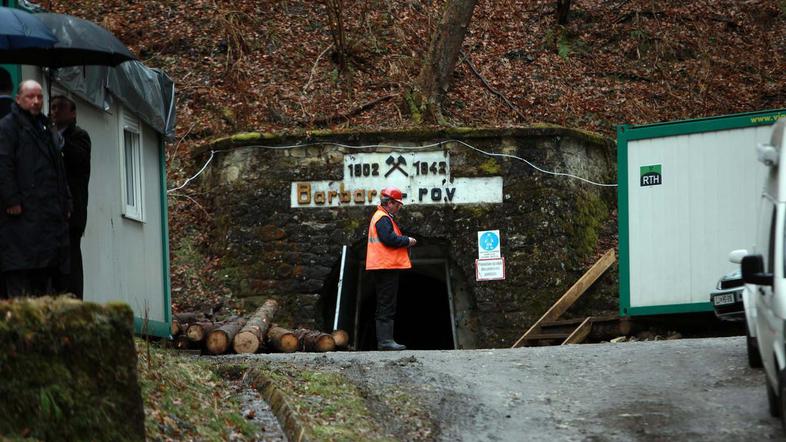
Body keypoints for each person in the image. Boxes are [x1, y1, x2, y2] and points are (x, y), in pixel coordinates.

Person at [0, 80, 71, 297]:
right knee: (20, 282)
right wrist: (12, 200)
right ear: (19, 98)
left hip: (46, 219)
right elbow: (3, 164)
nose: (36, 101)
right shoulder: (8, 127)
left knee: (44, 281)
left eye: (40, 97)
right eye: (31, 96)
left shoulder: (46, 128)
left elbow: (58, 169)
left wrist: (66, 200)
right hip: (20, 218)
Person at [365, 186, 417, 351]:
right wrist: (407, 240)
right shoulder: (383, 218)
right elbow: (389, 239)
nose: (399, 207)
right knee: (386, 303)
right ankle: (385, 341)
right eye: (398, 204)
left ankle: (385, 340)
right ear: (390, 203)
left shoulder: (382, 217)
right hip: (385, 266)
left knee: (385, 302)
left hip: (383, 266)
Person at [50, 95, 91, 299]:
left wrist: (60, 142)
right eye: (53, 107)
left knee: (72, 260)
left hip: (72, 212)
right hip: (51, 212)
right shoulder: (47, 137)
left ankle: (75, 299)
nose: (55, 111)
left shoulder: (79, 136)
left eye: (60, 107)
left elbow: (78, 158)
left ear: (72, 113)